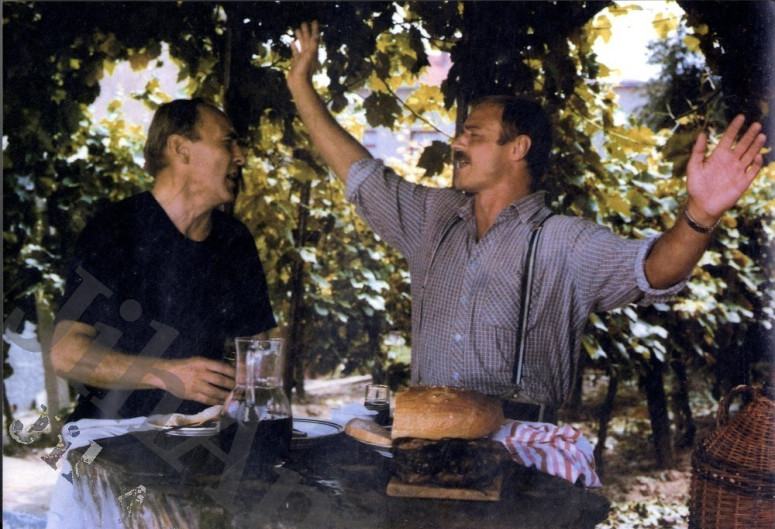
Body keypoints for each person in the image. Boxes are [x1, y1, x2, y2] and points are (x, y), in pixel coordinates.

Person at [286, 21, 766, 422]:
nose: (457, 143)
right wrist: (300, 87)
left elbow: (656, 270)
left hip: (519, 456)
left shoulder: (564, 242)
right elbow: (360, 173)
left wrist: (701, 214)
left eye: (473, 134)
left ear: (517, 149)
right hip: (426, 441)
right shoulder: (432, 218)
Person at [50, 98, 277, 422]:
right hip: (110, 436)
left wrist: (248, 394)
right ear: (180, 148)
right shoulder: (113, 231)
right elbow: (65, 353)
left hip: (202, 434)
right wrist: (166, 374)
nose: (240, 157)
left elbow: (259, 352)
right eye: (228, 142)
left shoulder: (234, 240)